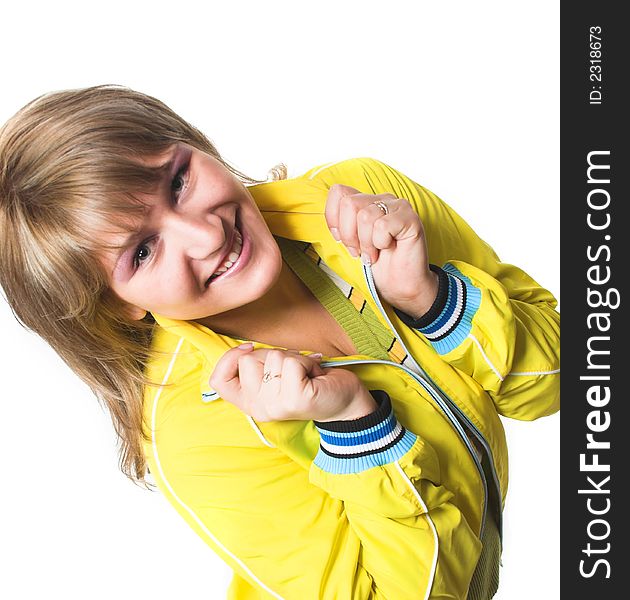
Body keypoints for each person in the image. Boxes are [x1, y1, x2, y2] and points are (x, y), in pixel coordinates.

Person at [0, 85, 560, 599]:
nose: (207, 234)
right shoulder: (192, 434)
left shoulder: (366, 201)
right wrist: (354, 427)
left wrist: (432, 299)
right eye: (142, 251)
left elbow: (564, 378)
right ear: (119, 303)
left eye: (178, 181)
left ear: (197, 144)